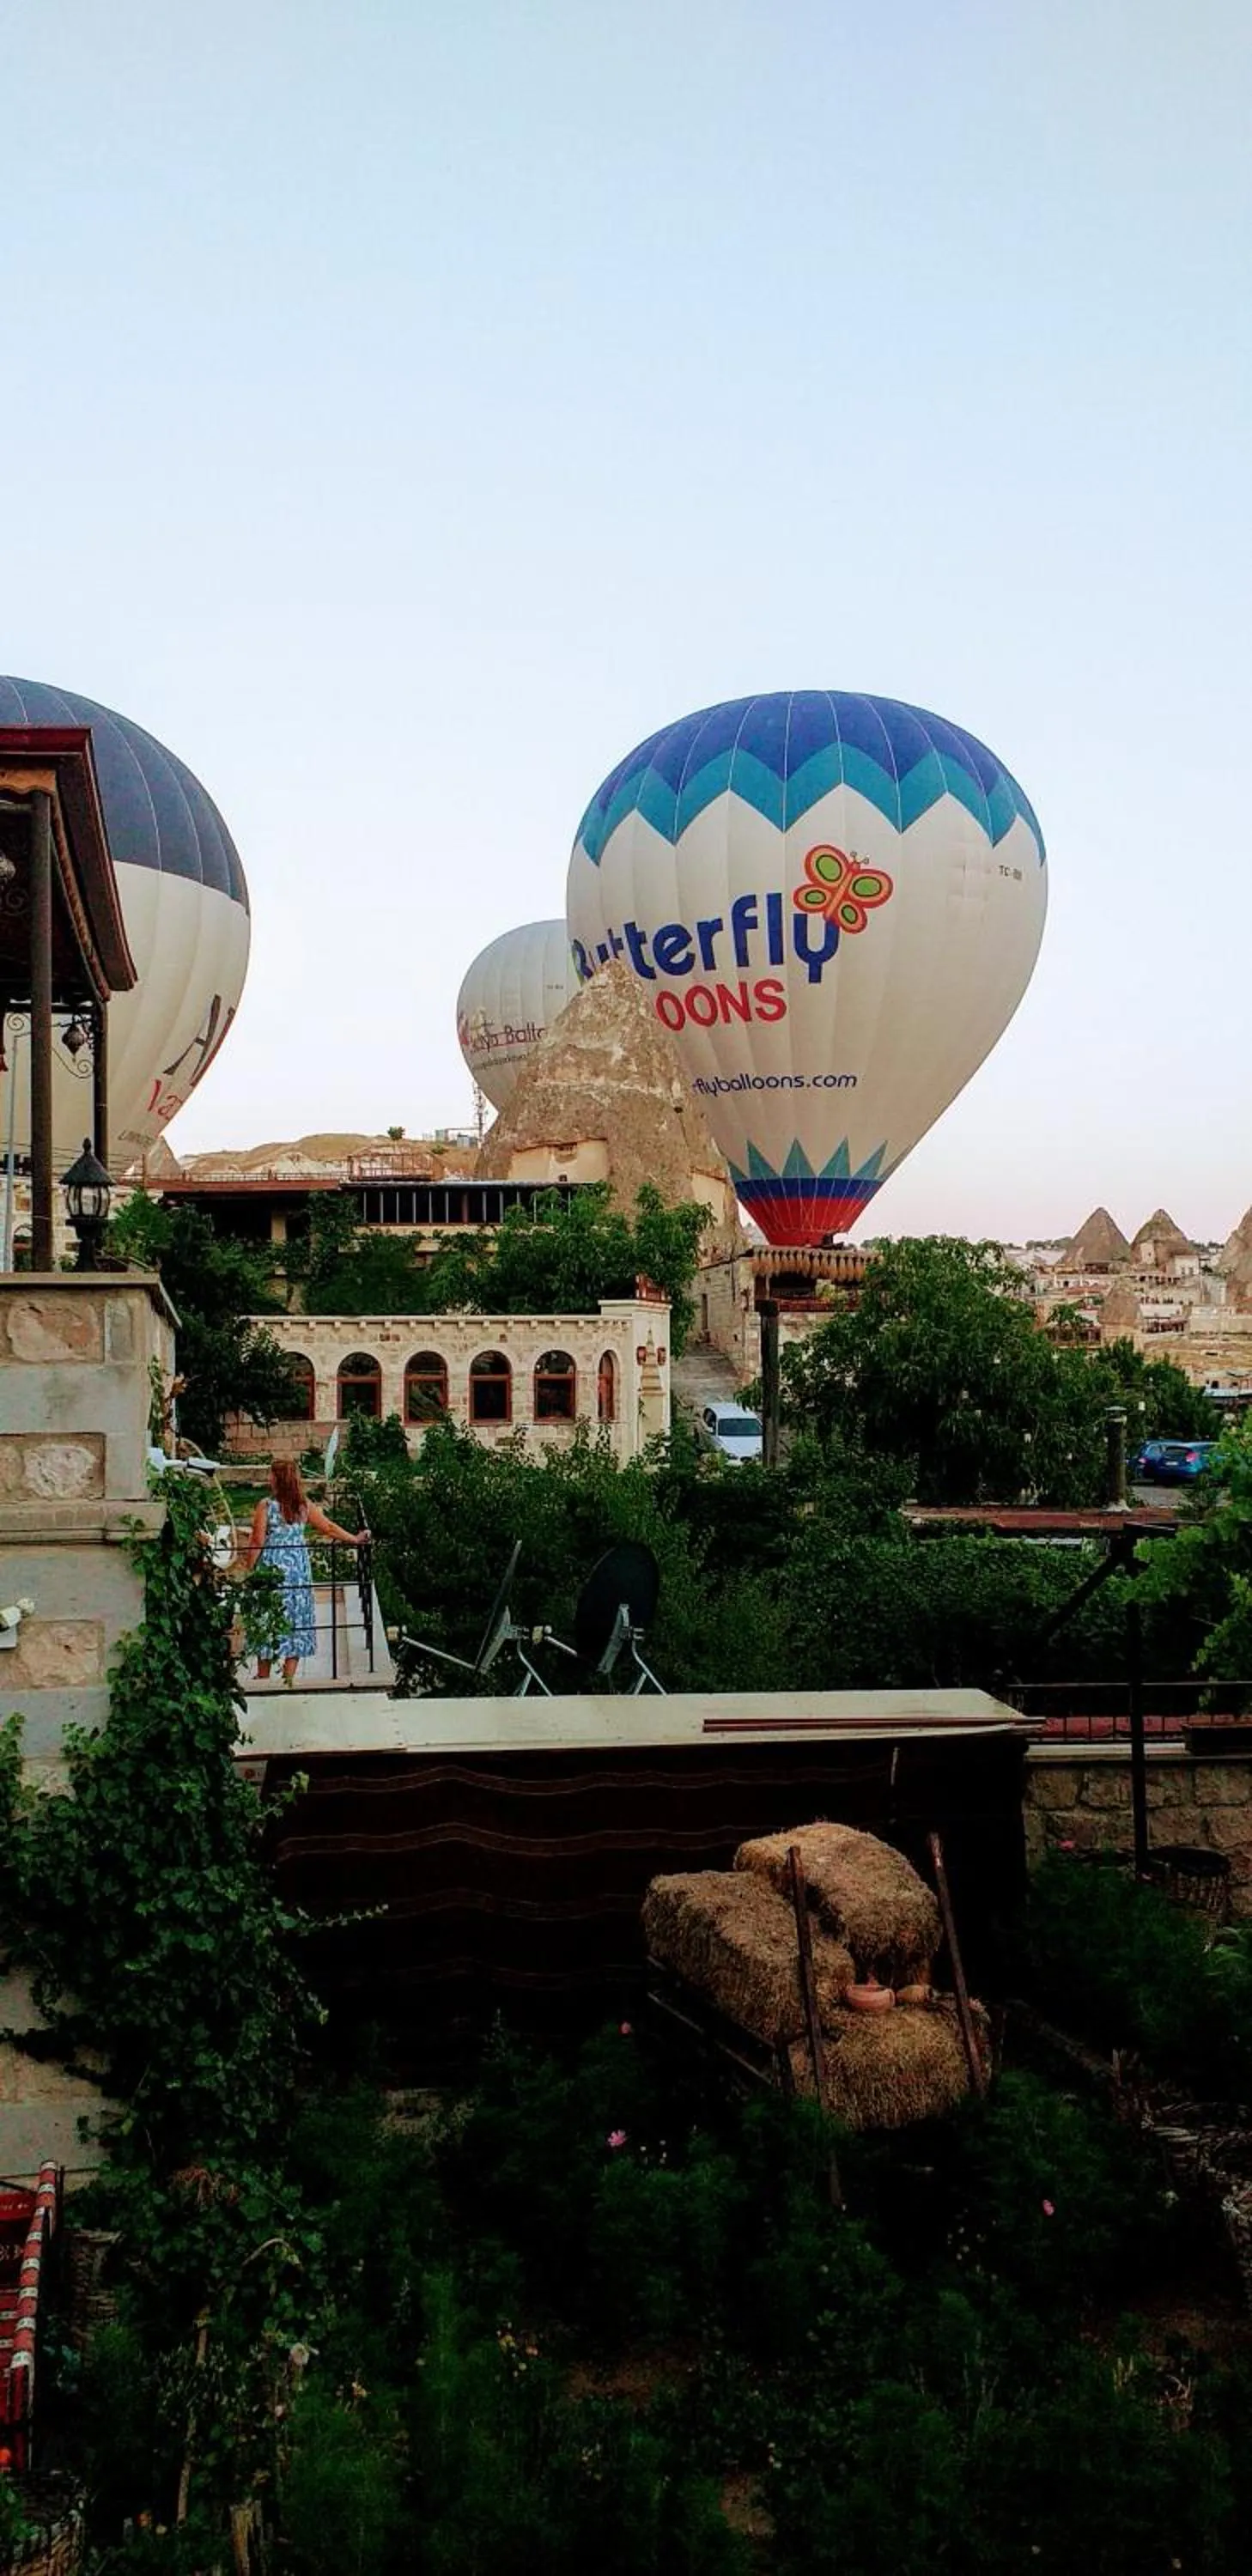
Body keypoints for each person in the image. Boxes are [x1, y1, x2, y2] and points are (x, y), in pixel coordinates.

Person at [246, 1460, 368, 1688]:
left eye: (271, 1475)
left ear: (278, 1479)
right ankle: (289, 1679)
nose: (268, 1479)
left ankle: (263, 1676)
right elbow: (328, 1527)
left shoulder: (266, 1506)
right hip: (297, 1572)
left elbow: (257, 1541)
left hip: (272, 1570)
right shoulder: (304, 1506)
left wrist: (249, 1570)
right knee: (295, 1617)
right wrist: (354, 1539)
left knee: (267, 1616)